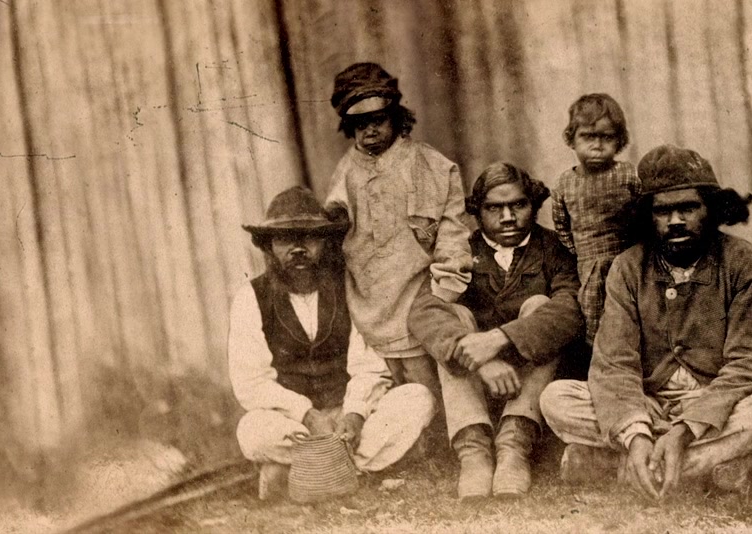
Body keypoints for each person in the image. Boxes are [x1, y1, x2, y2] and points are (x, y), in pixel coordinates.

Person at [540, 145, 752, 500]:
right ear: (648, 217)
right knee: (556, 398)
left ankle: (624, 467)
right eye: (662, 211)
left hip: (716, 400)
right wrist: (636, 432)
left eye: (688, 208)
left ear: (711, 209)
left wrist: (685, 429)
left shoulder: (745, 262)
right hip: (649, 402)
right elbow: (614, 363)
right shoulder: (627, 267)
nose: (675, 221)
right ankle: (703, 466)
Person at [230, 186, 436, 499]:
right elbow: (252, 383)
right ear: (269, 246)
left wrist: (354, 415)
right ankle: (353, 468)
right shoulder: (250, 298)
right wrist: (306, 414)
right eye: (285, 240)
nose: (298, 250)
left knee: (417, 398)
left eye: (309, 238)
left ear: (325, 242)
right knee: (252, 431)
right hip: (294, 422)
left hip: (349, 419)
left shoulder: (350, 289)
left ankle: (300, 471)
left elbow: (369, 366)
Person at [409, 163, 583, 500]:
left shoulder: (554, 248)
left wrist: (499, 339)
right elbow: (423, 311)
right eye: (494, 208)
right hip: (478, 385)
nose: (507, 217)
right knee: (454, 314)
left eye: (518, 205)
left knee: (541, 305)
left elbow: (571, 308)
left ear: (534, 205)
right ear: (477, 212)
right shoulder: (463, 250)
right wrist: (480, 358)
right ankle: (473, 452)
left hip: (530, 384)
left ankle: (513, 447)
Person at [323, 62, 473, 411]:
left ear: (396, 117)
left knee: (430, 387)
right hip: (366, 298)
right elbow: (335, 223)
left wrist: (444, 291)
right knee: (385, 392)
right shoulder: (347, 170)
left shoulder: (430, 165)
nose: (370, 131)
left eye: (378, 120)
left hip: (417, 293)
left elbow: (452, 233)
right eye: (360, 124)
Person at [551, 93, 642, 357]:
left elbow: (644, 213)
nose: (597, 146)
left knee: (633, 313)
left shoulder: (627, 174)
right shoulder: (565, 183)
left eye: (607, 137)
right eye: (588, 137)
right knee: (593, 317)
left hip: (628, 260)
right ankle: (599, 364)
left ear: (619, 141)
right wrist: (581, 253)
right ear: (572, 139)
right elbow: (562, 226)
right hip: (589, 265)